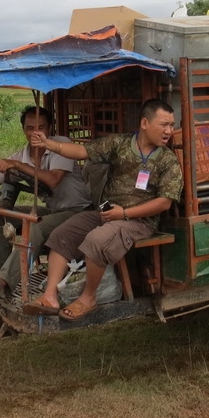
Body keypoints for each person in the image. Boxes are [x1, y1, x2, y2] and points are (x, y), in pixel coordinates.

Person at [23, 99, 183, 321]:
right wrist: (49, 144)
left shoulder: (168, 161)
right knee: (62, 234)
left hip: (138, 221)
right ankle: (50, 296)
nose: (169, 131)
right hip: (107, 212)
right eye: (164, 124)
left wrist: (124, 214)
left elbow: (165, 202)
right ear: (145, 123)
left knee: (96, 240)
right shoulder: (120, 143)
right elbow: (82, 150)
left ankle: (88, 298)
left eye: (171, 125)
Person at [0, 105, 91, 294]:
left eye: (41, 127)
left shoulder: (61, 145)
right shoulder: (21, 156)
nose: (36, 133)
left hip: (79, 212)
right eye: (30, 128)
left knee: (35, 227)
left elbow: (53, 180)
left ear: (49, 129)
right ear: (23, 130)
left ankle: (3, 283)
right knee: (4, 215)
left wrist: (18, 166)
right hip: (54, 211)